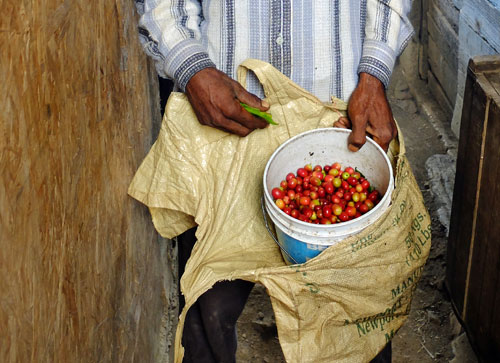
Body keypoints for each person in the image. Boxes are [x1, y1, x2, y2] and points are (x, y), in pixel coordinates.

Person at [135, 1, 413, 362]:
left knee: (352, 312)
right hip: (226, 118)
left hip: (336, 117)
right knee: (210, 312)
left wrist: (374, 73)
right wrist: (193, 68)